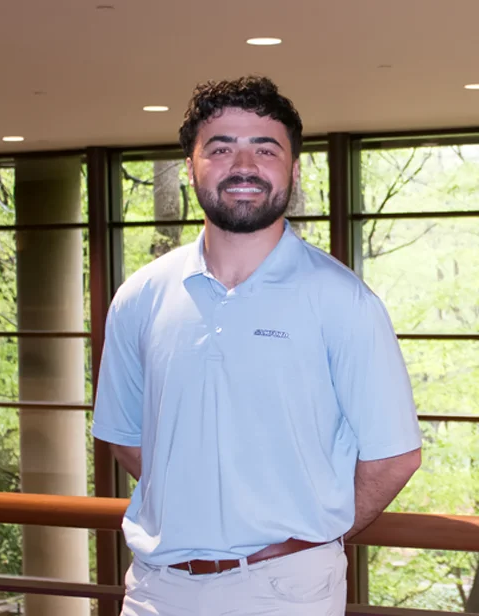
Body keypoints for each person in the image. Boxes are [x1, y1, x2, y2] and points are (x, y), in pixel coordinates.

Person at [92, 76, 422, 616]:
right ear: (191, 164)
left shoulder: (343, 301)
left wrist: (307, 539)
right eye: (221, 148)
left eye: (265, 149)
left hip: (286, 590)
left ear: (292, 170)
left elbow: (394, 457)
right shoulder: (141, 297)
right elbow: (128, 438)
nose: (242, 165)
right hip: (156, 589)